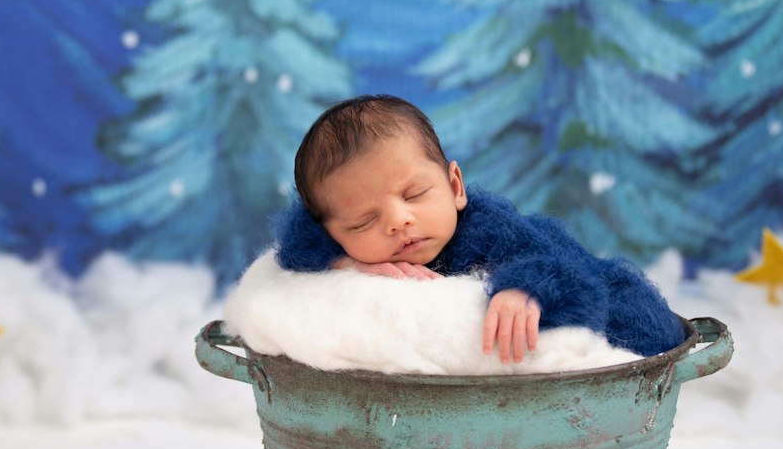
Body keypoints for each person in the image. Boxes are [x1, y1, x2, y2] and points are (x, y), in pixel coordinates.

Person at [273, 95, 686, 364]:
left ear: (454, 187)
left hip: (618, 312)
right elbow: (294, 248)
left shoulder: (491, 230)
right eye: (363, 221)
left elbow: (568, 274)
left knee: (626, 336)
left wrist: (524, 290)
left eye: (414, 194)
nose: (398, 221)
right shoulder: (342, 245)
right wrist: (345, 261)